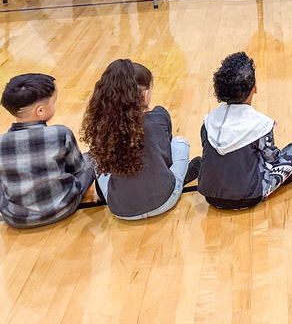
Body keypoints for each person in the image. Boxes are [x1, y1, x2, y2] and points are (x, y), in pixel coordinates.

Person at [81, 60, 202, 219]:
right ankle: (175, 179)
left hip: (120, 210)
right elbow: (166, 156)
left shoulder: (102, 127)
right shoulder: (158, 116)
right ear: (144, 95)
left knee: (94, 158)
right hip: (165, 200)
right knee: (180, 143)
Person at [197, 52, 292, 210]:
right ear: (254, 88)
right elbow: (272, 159)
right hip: (250, 196)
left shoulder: (208, 121)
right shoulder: (260, 124)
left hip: (211, 197)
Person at [0, 74, 94, 228]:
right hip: (63, 208)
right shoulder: (60, 133)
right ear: (40, 110)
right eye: (54, 101)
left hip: (15, 219)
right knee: (92, 160)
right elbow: (78, 169)